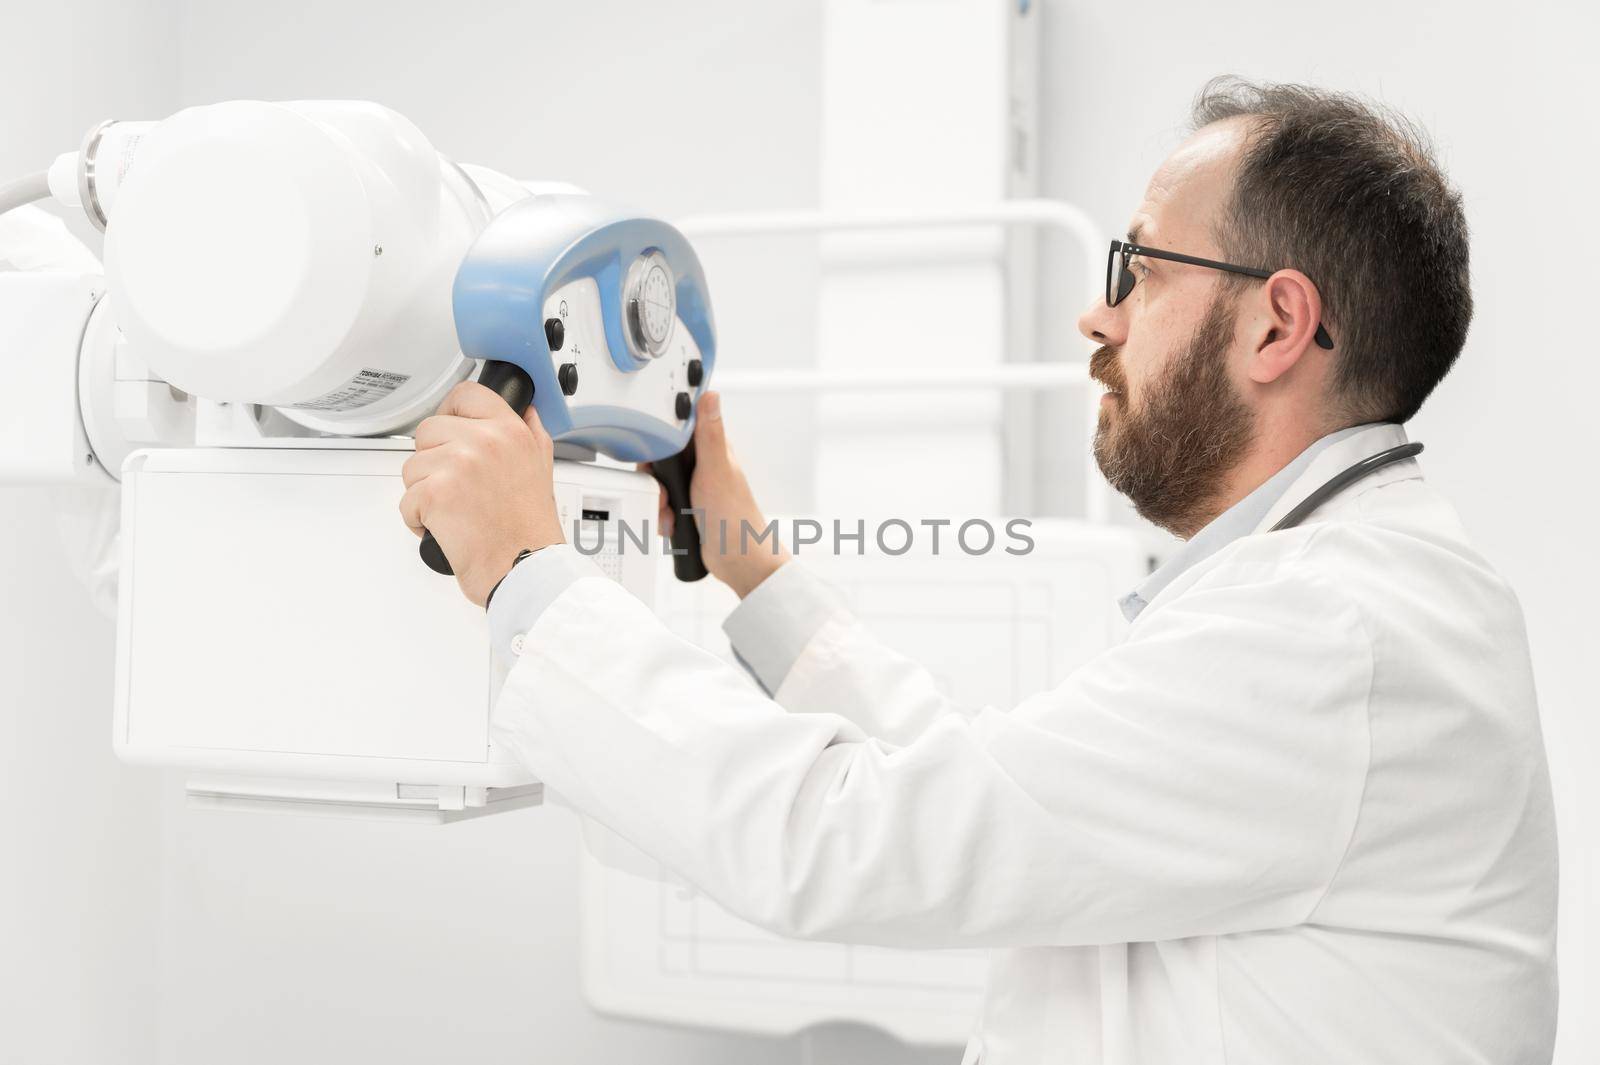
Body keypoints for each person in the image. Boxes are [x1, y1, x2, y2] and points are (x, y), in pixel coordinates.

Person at [398, 78, 1557, 1064]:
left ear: (1274, 327)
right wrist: (753, 566)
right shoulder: (1335, 589)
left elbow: (856, 840)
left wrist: (528, 577)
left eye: (1138, 269)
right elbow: (984, 792)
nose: (1093, 315)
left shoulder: (1327, 626)